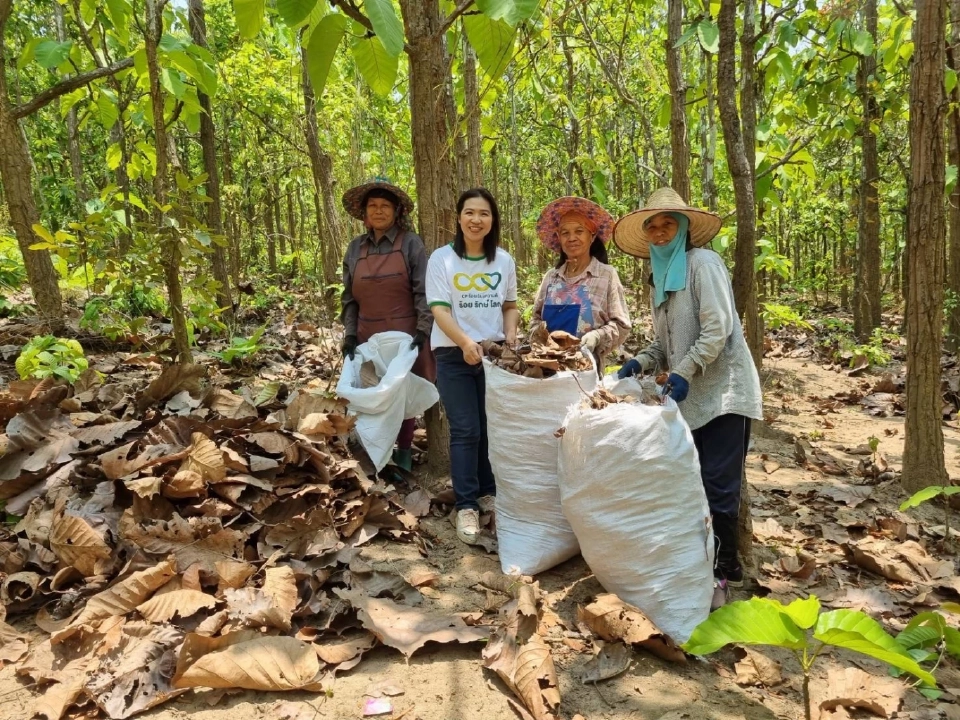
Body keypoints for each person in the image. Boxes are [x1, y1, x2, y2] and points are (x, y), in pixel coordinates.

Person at [614, 187, 762, 609]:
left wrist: (686, 369)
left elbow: (718, 329)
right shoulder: (659, 278)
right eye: (653, 227)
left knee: (718, 485)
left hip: (723, 393)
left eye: (668, 225)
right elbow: (664, 344)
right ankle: (695, 564)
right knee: (689, 484)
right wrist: (640, 362)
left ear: (683, 230)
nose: (660, 233)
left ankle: (723, 573)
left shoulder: (703, 264)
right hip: (688, 398)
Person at [425, 188, 519, 546]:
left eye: (484, 213)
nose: (476, 220)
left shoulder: (503, 261)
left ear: (492, 220)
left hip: (494, 356)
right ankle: (465, 505)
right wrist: (465, 343)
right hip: (453, 353)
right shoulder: (442, 259)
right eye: (469, 213)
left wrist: (509, 338)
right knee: (465, 430)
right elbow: (439, 310)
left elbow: (509, 305)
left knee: (490, 427)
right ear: (459, 218)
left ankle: (487, 495)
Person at [340, 178, 435, 473]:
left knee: (401, 393)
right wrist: (351, 334)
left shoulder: (410, 243)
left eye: (385, 206)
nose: (378, 211)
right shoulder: (355, 248)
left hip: (407, 335)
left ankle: (404, 452)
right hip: (369, 334)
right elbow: (349, 298)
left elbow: (424, 290)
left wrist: (423, 329)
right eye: (373, 206)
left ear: (396, 212)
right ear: (365, 214)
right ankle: (377, 452)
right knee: (372, 392)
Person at [531, 196, 631, 370]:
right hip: (547, 369)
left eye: (579, 231)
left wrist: (597, 337)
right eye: (565, 233)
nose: (572, 238)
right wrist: (542, 338)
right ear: (559, 239)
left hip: (586, 370)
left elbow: (622, 325)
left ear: (592, 237)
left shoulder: (606, 275)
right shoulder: (551, 278)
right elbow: (535, 319)